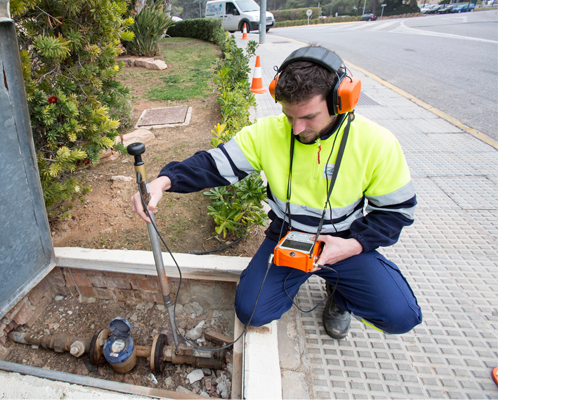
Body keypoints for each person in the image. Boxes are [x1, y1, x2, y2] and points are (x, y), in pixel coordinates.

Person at [130, 46, 422, 339]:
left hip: (343, 242)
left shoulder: (377, 143)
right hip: (286, 237)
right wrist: (164, 181)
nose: (296, 129)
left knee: (401, 316)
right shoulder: (267, 133)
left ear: (340, 101)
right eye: (288, 115)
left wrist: (354, 245)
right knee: (252, 312)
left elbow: (396, 212)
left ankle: (340, 296)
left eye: (309, 117)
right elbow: (213, 164)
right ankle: (306, 277)